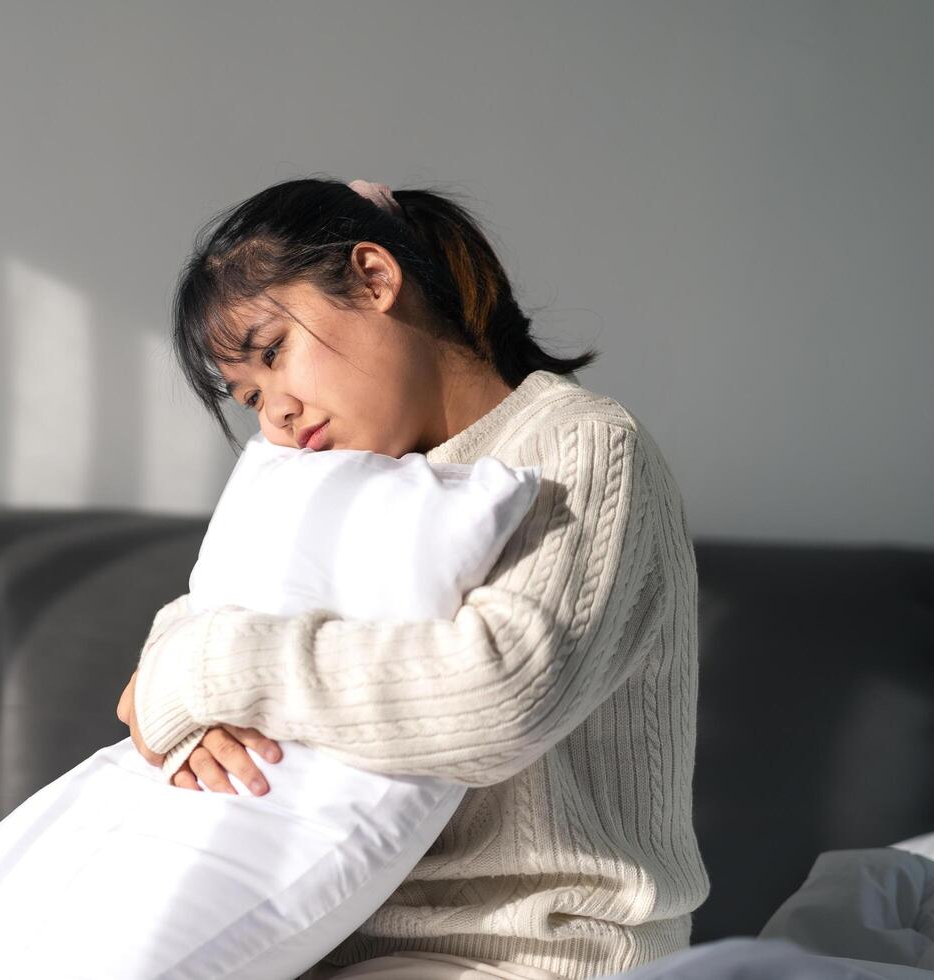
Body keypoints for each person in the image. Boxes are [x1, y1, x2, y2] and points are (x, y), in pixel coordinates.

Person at [117, 177, 710, 980]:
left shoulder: (583, 444)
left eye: (275, 352)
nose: (275, 417)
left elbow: (500, 697)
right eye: (250, 396)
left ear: (374, 277)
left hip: (535, 958)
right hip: (331, 949)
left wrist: (207, 674)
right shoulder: (343, 479)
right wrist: (183, 691)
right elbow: (167, 655)